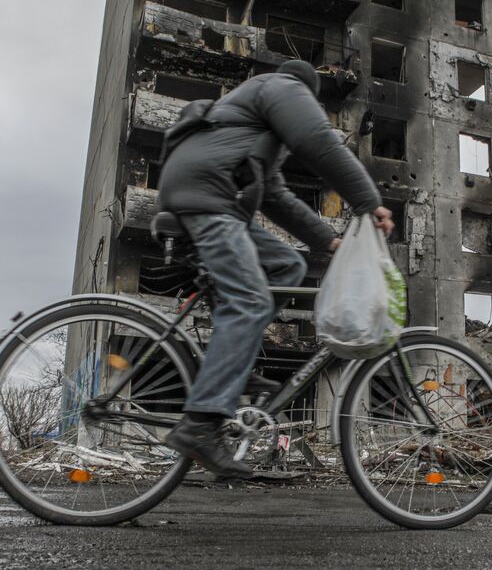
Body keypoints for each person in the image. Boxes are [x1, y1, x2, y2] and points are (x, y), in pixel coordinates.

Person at [157, 60, 394, 478]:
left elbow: (276, 198)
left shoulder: (251, 131)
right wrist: (366, 200)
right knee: (249, 300)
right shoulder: (282, 86)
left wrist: (330, 241)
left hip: (217, 197)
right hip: (207, 195)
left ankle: (234, 365)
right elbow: (319, 142)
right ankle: (199, 425)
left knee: (287, 265)